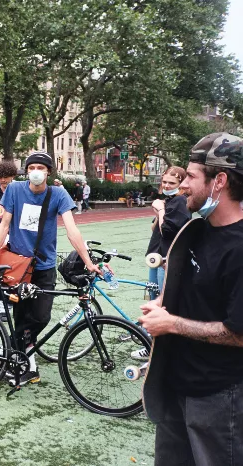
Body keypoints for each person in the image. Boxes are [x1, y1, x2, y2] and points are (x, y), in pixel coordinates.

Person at [138, 133, 243, 465]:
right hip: (175, 385)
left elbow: (239, 332)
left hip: (218, 397)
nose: (182, 185)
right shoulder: (198, 230)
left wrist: (172, 324)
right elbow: (197, 295)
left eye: (191, 177)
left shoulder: (239, 248)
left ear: (219, 181)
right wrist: (165, 306)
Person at [0, 151, 99, 386]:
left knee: (41, 316)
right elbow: (3, 226)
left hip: (44, 266)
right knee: (21, 315)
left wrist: (88, 262)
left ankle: (14, 350)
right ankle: (22, 362)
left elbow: (72, 230)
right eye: (32, 166)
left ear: (48, 171)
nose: (36, 171)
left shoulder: (58, 194)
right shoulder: (14, 190)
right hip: (19, 266)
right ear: (27, 170)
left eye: (41, 167)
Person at [144, 166, 190, 300]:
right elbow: (155, 229)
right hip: (156, 256)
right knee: (153, 296)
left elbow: (166, 231)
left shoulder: (180, 201)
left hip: (167, 258)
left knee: (162, 299)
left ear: (181, 185)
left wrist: (161, 210)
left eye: (172, 183)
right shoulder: (169, 200)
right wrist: (159, 214)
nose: (167, 186)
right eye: (164, 182)